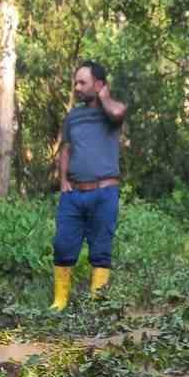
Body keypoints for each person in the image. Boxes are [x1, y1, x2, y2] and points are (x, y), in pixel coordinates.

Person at [51, 61, 127, 310]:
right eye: (75, 82)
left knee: (101, 248)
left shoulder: (113, 111)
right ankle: (60, 301)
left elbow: (117, 113)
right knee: (63, 244)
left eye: (82, 82)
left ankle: (97, 302)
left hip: (105, 192)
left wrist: (104, 96)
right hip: (73, 193)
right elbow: (66, 149)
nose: (76, 87)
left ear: (99, 84)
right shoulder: (73, 116)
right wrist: (63, 181)